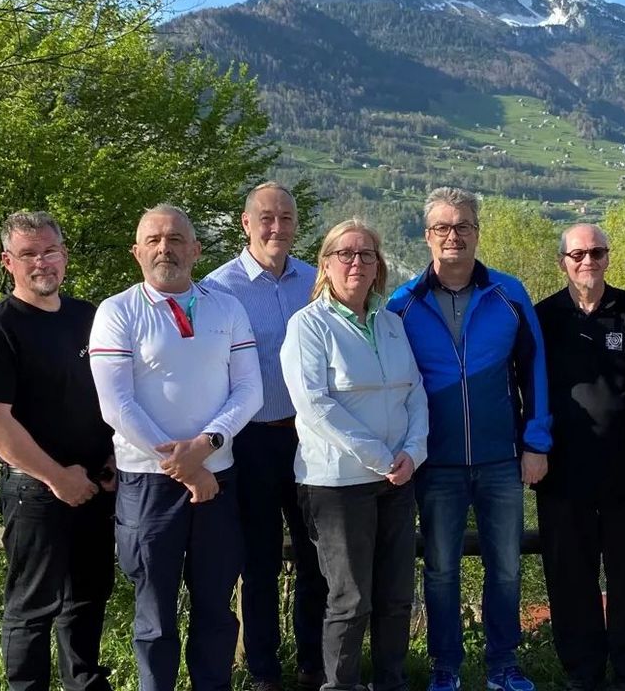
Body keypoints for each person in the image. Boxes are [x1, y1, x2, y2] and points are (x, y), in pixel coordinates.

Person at [89, 204, 264, 691]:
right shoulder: (117, 311)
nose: (165, 248)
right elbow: (116, 404)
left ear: (196, 249)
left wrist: (206, 446)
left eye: (175, 239)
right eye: (154, 240)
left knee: (215, 605)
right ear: (137, 252)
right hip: (148, 484)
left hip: (219, 478)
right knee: (154, 612)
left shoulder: (227, 307)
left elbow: (250, 391)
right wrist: (186, 469)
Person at [386, 186, 552, 691]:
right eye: (442, 227)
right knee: (439, 571)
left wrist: (536, 441)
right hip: (434, 462)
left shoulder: (509, 293)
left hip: (502, 458)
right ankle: (446, 667)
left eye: (462, 226)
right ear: (427, 235)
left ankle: (503, 665)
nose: (452, 235)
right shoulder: (403, 304)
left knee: (505, 568)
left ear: (477, 233)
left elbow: (535, 368)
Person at [0, 211, 117, 691]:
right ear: (8, 261)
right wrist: (57, 477)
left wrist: (114, 457)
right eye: (28, 254)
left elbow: (116, 394)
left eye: (49, 251)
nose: (41, 262)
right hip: (36, 491)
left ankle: (84, 684)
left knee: (89, 598)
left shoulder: (90, 318)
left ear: (64, 256)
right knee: (32, 607)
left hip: (97, 483)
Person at [281, 219, 429, 691]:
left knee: (395, 595)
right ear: (325, 264)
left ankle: (391, 681)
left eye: (366, 254)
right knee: (350, 598)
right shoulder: (308, 326)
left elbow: (415, 394)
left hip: (398, 479)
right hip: (338, 484)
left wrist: (412, 453)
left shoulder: (390, 323)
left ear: (378, 266)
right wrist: (381, 457)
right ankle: (338, 685)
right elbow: (315, 406)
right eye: (345, 253)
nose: (356, 263)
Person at [203, 181, 327, 691]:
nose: (277, 228)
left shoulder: (316, 281)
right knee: (258, 561)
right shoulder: (217, 288)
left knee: (316, 555)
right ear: (246, 223)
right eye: (267, 218)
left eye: (287, 219)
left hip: (309, 437)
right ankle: (262, 670)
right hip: (249, 441)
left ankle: (315, 664)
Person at [534, 223, 625, 691]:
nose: (587, 261)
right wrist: (531, 448)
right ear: (562, 262)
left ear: (609, 257)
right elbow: (526, 389)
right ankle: (583, 674)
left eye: (597, 252)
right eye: (578, 255)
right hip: (562, 473)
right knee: (570, 578)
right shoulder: (542, 317)